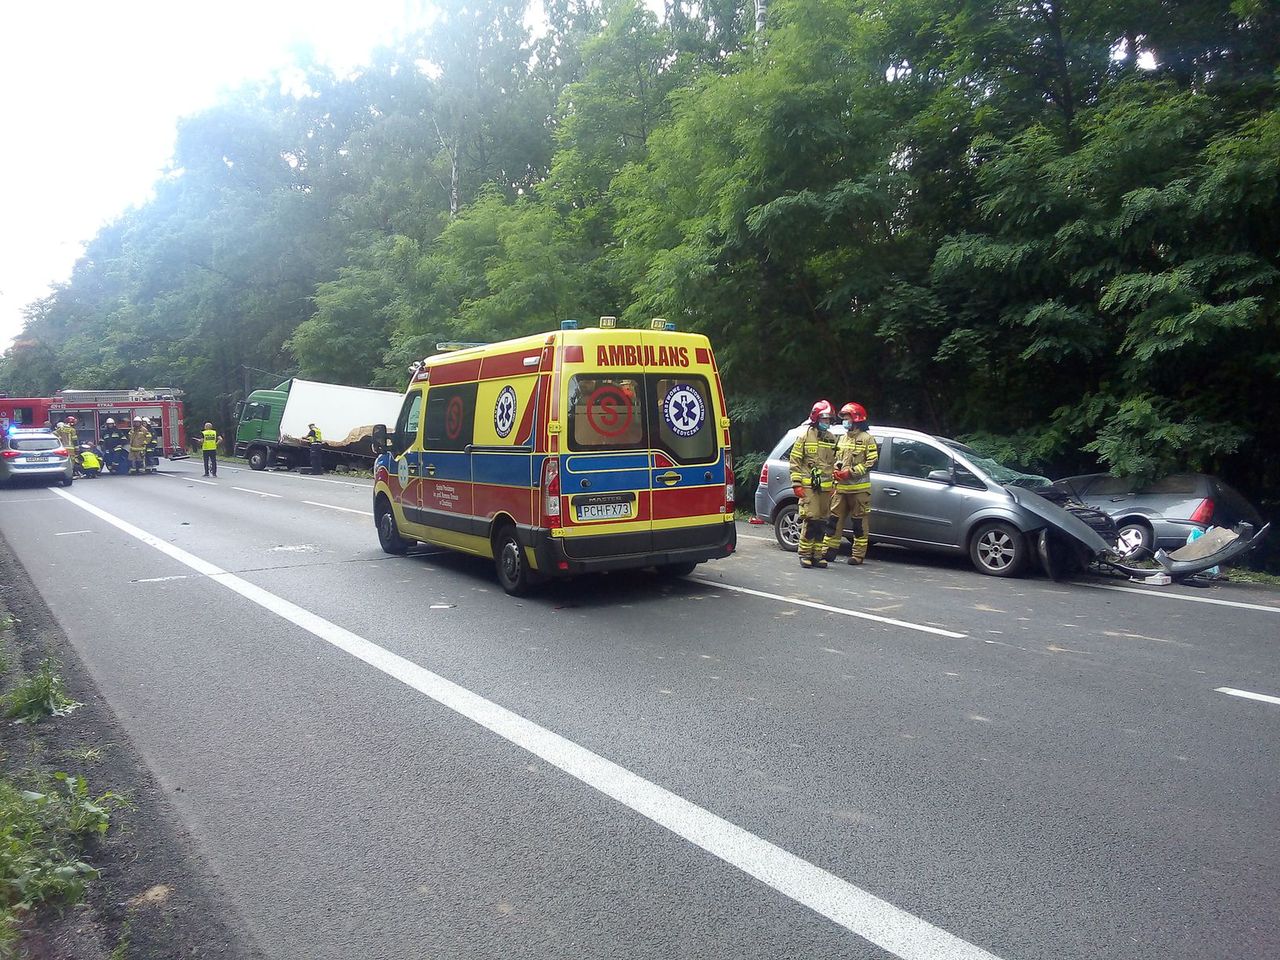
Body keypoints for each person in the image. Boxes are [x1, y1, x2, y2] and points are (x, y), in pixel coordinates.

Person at [827, 402, 879, 565]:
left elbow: (872, 461)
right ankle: (828, 551)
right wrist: (836, 469)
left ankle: (858, 555)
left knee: (859, 523)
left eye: (847, 418)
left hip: (859, 490)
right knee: (834, 521)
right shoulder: (842, 438)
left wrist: (850, 472)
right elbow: (836, 459)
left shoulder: (867, 439)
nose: (844, 421)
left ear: (856, 419)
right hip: (840, 488)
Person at [788, 400, 838, 569]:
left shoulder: (831, 439)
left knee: (822, 521)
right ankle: (804, 554)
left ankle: (817, 555)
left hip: (825, 488)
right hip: (808, 487)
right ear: (816, 418)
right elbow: (795, 461)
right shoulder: (804, 436)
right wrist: (797, 484)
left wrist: (833, 484)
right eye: (824, 419)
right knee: (811, 519)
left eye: (829, 420)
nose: (827, 423)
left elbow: (834, 463)